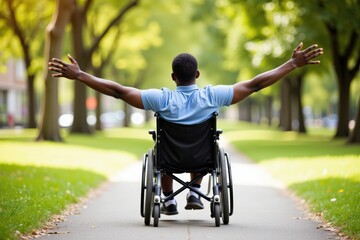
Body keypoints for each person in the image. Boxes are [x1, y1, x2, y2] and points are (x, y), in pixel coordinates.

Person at [48, 42, 323, 215]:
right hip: (201, 159)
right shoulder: (212, 96)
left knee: (163, 150)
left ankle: (168, 198)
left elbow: (118, 92)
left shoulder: (162, 98)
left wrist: (81, 75)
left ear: (172, 77)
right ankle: (194, 192)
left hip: (169, 159)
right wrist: (291, 63)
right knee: (206, 145)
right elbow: (254, 84)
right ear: (198, 75)